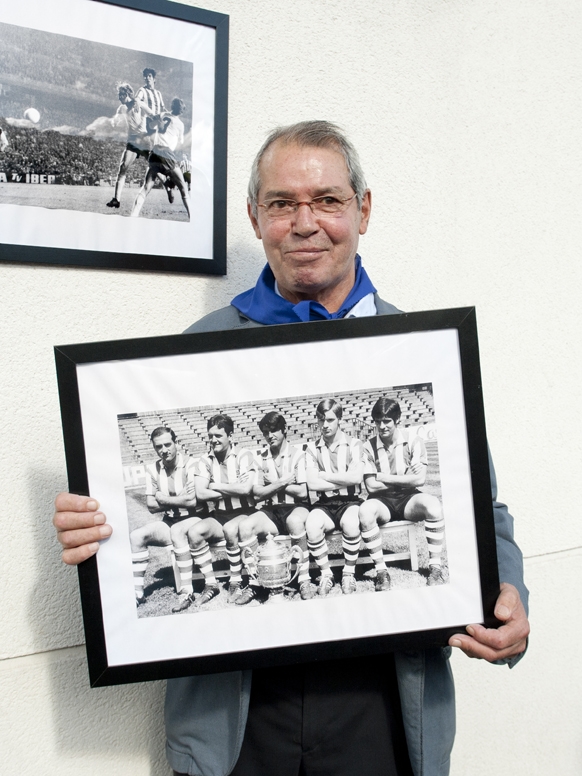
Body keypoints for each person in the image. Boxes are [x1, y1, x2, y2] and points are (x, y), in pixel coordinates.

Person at [53, 120, 530, 776]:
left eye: (328, 200)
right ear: (256, 218)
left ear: (363, 210)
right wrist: (96, 526)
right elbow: (139, 509)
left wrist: (509, 594)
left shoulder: (423, 353)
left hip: (381, 705)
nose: (306, 223)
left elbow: (485, 510)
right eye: (282, 204)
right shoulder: (189, 357)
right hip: (238, 716)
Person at [173, 413, 258, 612]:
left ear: (230, 435)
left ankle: (236, 580)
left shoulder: (244, 455)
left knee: (231, 529)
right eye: (210, 436)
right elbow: (201, 493)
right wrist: (232, 487)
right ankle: (211, 584)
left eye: (218, 435)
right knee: (195, 532)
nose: (213, 440)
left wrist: (216, 485)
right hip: (219, 516)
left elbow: (246, 489)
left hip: (245, 512)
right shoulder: (205, 460)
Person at [359, 397, 445, 589]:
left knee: (433, 506)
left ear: (397, 419)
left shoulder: (414, 441)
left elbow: (419, 480)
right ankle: (381, 572)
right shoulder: (367, 447)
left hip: (408, 499)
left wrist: (383, 477)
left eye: (387, 421)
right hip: (381, 502)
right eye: (378, 422)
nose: (382, 426)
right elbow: (371, 487)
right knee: (365, 511)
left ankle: (435, 567)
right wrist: (404, 477)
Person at [234, 411, 311, 604]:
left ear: (284, 430)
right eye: (266, 432)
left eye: (274, 430)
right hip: (271, 511)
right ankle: (255, 582)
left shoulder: (298, 455)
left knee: (295, 521)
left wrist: (272, 483)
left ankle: (304, 579)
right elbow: (257, 494)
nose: (270, 436)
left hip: (296, 507)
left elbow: (302, 492)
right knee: (245, 526)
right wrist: (283, 482)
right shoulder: (260, 458)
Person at [130, 426, 199, 604]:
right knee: (136, 536)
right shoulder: (152, 469)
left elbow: (192, 501)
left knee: (178, 530)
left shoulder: (191, 464)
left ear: (176, 443)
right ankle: (138, 594)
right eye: (158, 447)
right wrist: (179, 498)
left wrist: (162, 497)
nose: (164, 450)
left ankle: (187, 591)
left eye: (167, 444)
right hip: (169, 521)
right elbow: (151, 506)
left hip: (195, 520)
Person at [304, 398, 364, 596]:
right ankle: (326, 574)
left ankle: (348, 573)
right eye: (321, 420)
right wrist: (343, 480)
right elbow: (312, 484)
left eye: (330, 420)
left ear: (339, 419)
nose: (325, 425)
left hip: (350, 501)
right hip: (325, 503)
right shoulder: (312, 448)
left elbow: (356, 478)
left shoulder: (354, 444)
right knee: (312, 525)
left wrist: (325, 476)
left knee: (351, 523)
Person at [131, 97, 190, 219]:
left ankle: (133, 216)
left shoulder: (163, 115)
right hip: (167, 153)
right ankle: (192, 217)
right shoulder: (180, 124)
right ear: (181, 111)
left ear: (172, 107)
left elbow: (151, 122)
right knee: (183, 189)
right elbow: (180, 143)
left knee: (145, 187)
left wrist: (140, 104)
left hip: (154, 152)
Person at [106, 80, 158, 209]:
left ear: (126, 94)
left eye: (120, 95)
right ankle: (116, 200)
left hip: (143, 139)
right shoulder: (122, 107)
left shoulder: (138, 104)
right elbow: (116, 117)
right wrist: (114, 121)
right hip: (132, 141)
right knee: (123, 167)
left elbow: (152, 114)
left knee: (155, 165)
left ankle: (168, 184)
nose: (119, 98)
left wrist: (154, 123)